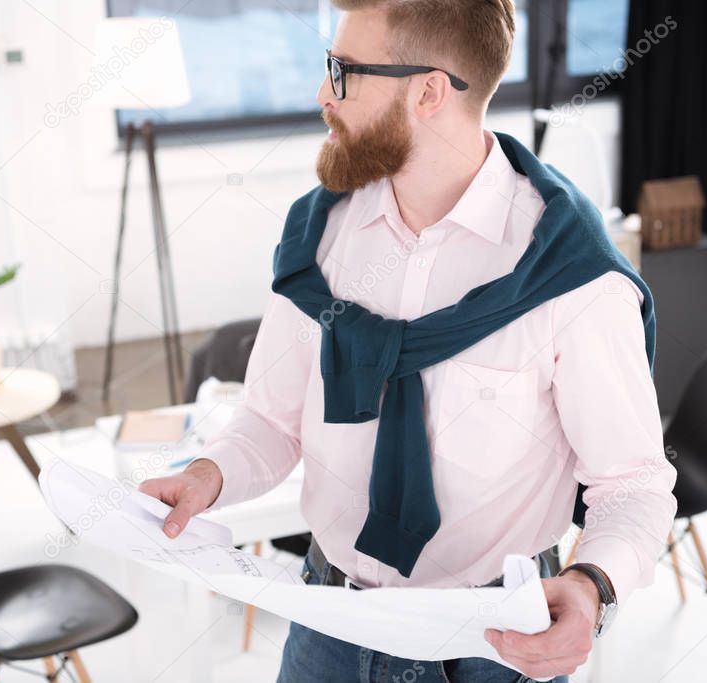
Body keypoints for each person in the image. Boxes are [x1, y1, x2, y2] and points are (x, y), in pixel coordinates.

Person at [139, 1, 678, 680]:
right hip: (326, 624)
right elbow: (271, 420)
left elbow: (631, 482)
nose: (320, 95)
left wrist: (593, 584)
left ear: (427, 91)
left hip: (494, 641)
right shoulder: (320, 238)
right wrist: (203, 476)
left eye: (341, 73)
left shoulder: (572, 277)